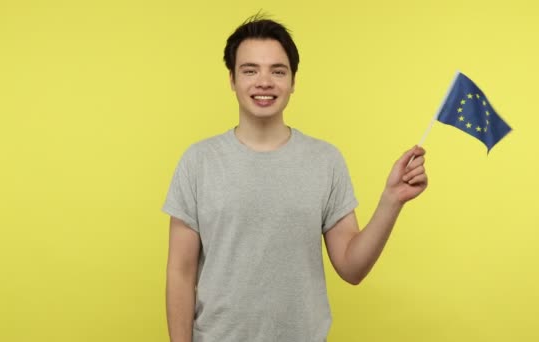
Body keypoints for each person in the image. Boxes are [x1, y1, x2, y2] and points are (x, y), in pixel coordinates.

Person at [162, 15, 428, 342]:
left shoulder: (325, 160)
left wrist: (391, 201)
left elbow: (352, 267)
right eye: (250, 70)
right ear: (232, 79)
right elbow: (180, 273)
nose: (264, 81)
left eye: (278, 71)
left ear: (293, 80)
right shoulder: (198, 162)